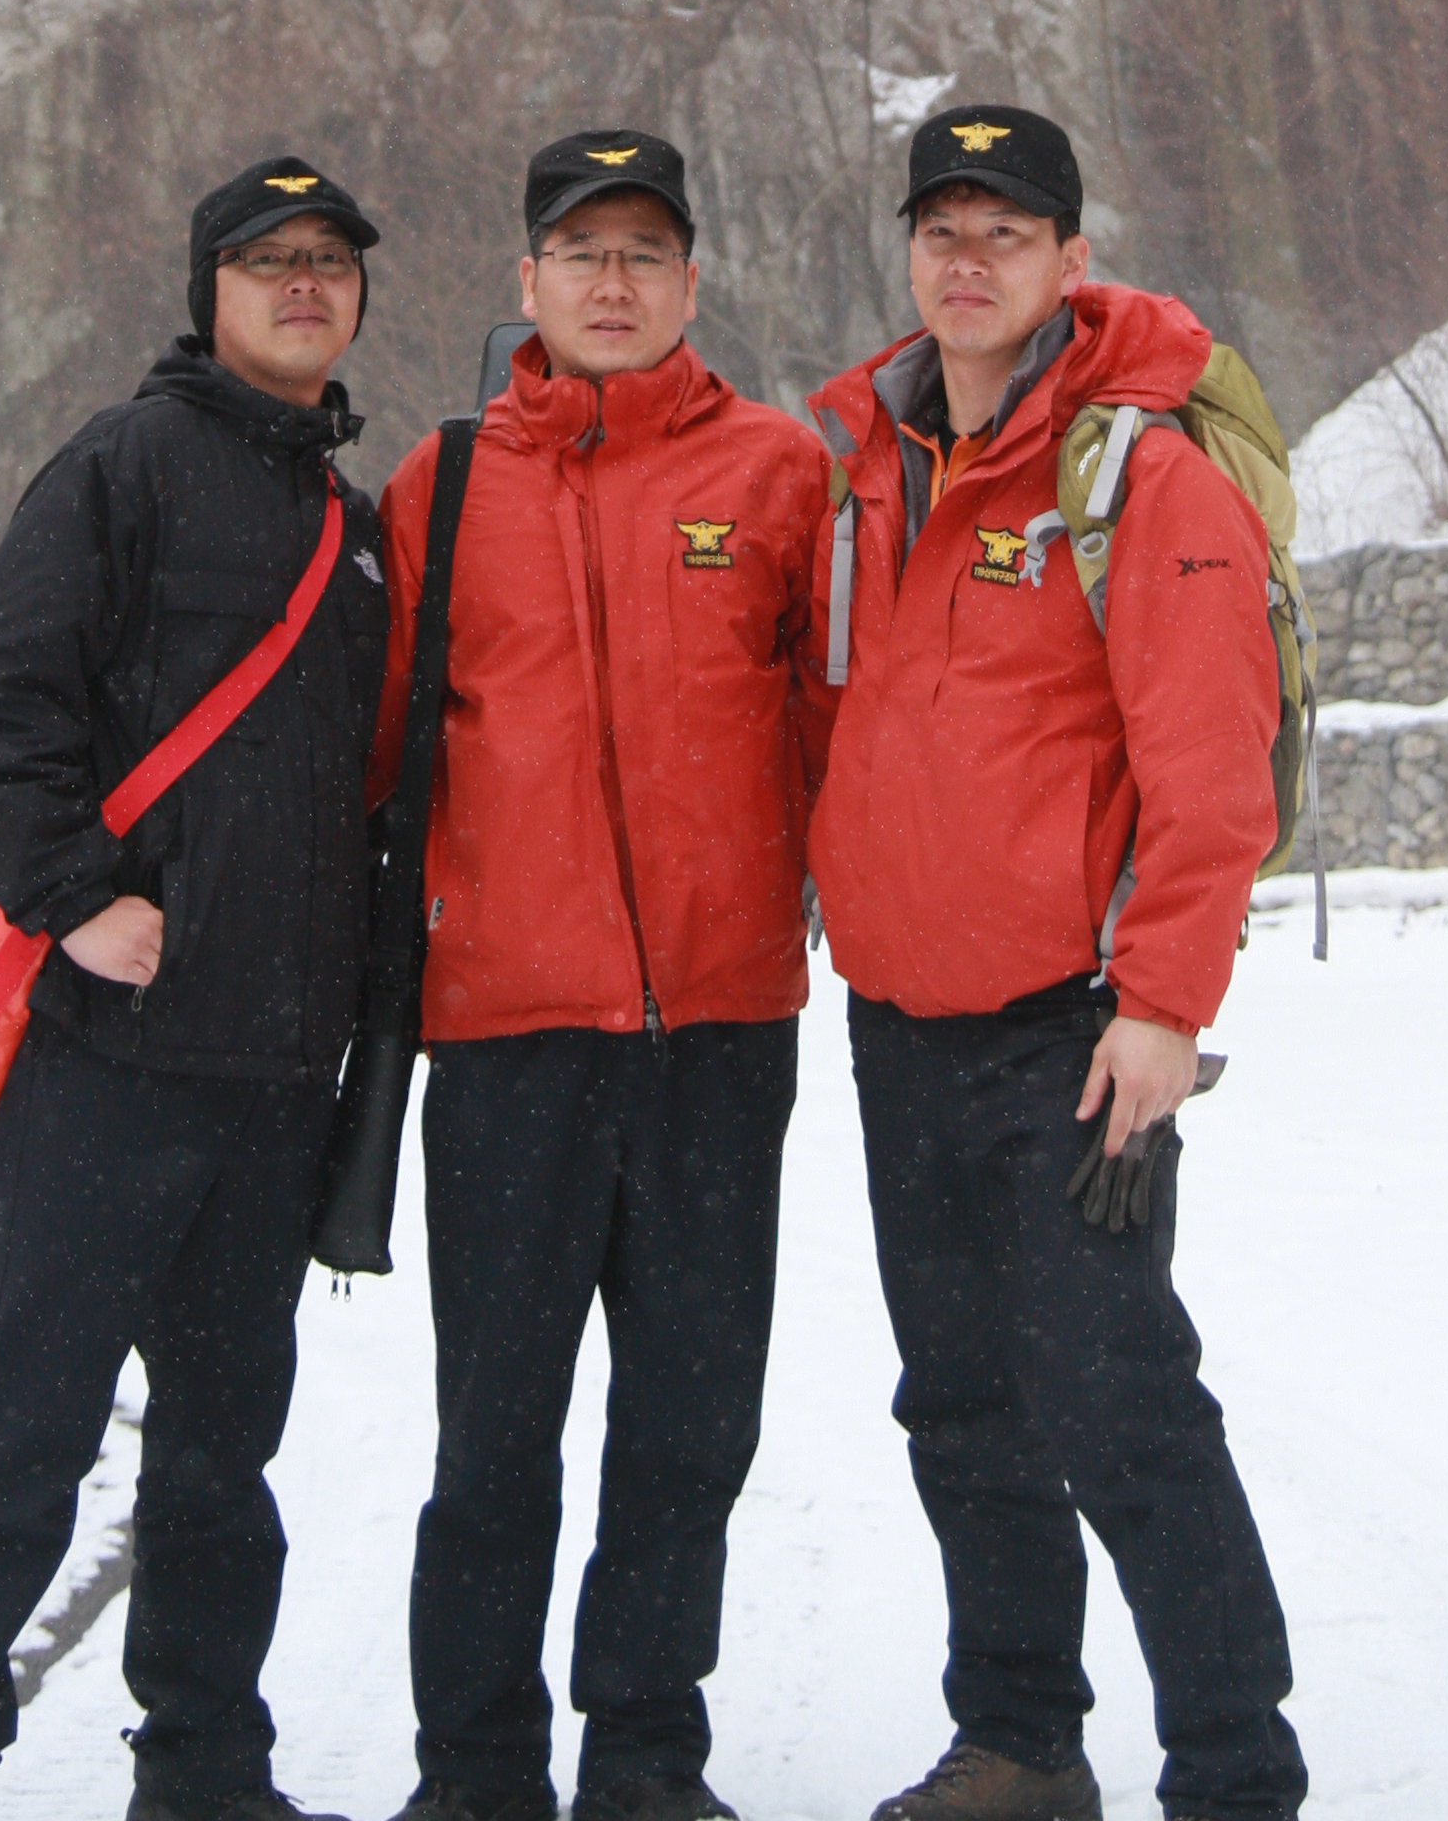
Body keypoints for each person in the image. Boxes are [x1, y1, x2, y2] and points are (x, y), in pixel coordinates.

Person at [0, 155, 389, 1821]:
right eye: (270, 260)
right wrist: (74, 897)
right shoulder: (125, 464)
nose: (305, 283)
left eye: (330, 260)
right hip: (112, 1062)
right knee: (25, 1424)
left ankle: (206, 1771)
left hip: (276, 1083)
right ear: (208, 292)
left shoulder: (357, 533)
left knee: (224, 1456)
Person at [804, 106, 1307, 1821]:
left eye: (1005, 233)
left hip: (1074, 1032)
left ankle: (1235, 1770)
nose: (968, 260)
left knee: (1118, 1404)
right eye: (941, 229)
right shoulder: (873, 466)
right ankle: (1021, 1743)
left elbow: (1210, 772)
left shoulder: (1139, 477)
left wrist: (1163, 1006)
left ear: (1070, 260)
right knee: (960, 1403)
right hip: (898, 1022)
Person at [372, 128, 831, 1821]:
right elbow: (380, 751)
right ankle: (476, 1768)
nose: (613, 283)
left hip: (721, 1035)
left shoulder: (780, 471)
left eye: (645, 253)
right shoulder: (443, 486)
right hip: (509, 1039)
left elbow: (840, 731)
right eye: (582, 253)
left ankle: (645, 1754)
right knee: (494, 1432)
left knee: (691, 1426)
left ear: (692, 281)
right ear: (528, 283)